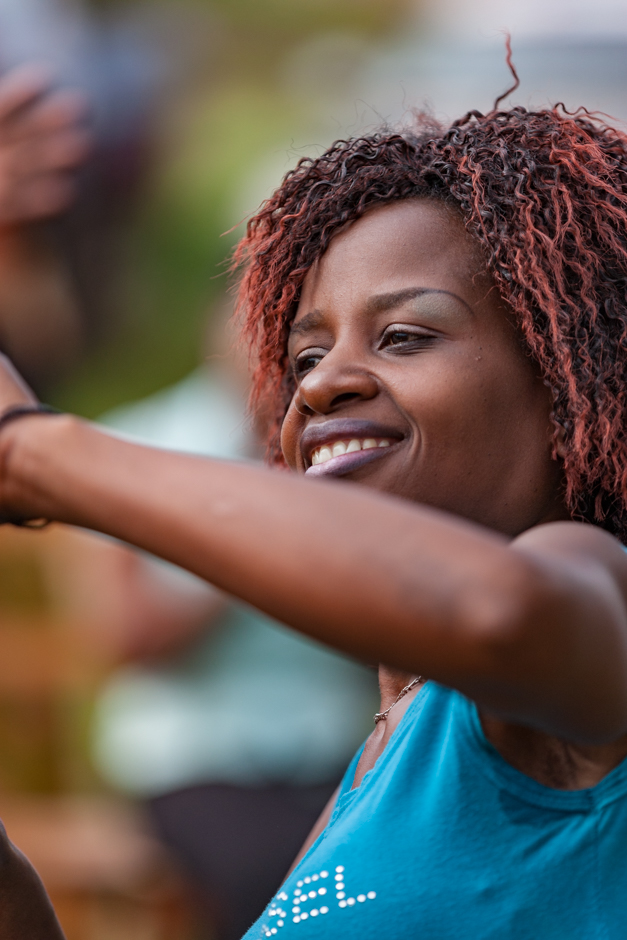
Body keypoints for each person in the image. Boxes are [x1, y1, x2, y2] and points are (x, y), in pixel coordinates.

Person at [2, 98, 627, 939]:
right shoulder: (397, 736)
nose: (322, 383)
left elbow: (502, 613)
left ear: (569, 378)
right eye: (305, 354)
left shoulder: (595, 600)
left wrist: (29, 452)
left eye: (402, 335)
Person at [56, 335, 377, 939]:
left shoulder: (351, 450)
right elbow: (128, 639)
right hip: (198, 759)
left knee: (385, 869)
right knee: (280, 876)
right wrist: (251, 536)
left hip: (335, 750)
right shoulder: (136, 445)